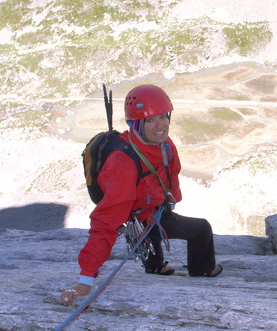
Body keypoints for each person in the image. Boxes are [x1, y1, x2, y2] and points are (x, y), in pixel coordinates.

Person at [60, 84, 222, 306]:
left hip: (152, 211)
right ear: (136, 124)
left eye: (163, 116)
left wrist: (171, 199)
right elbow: (105, 224)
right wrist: (85, 280)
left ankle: (154, 265)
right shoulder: (123, 164)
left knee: (153, 228)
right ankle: (203, 270)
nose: (160, 125)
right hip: (136, 215)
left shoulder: (166, 145)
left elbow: (171, 172)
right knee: (201, 229)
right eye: (150, 120)